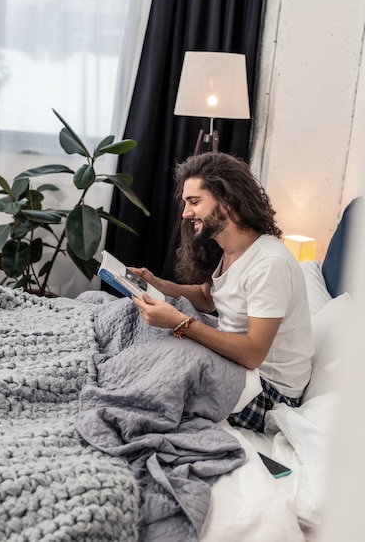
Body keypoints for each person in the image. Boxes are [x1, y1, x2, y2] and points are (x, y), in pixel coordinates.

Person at [131, 152, 313, 432]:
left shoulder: (269, 263)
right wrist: (156, 284)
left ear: (227, 201)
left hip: (270, 394)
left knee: (167, 357)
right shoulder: (232, 249)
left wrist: (180, 323)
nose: (185, 213)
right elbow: (208, 298)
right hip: (242, 370)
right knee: (140, 323)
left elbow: (253, 353)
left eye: (194, 202)